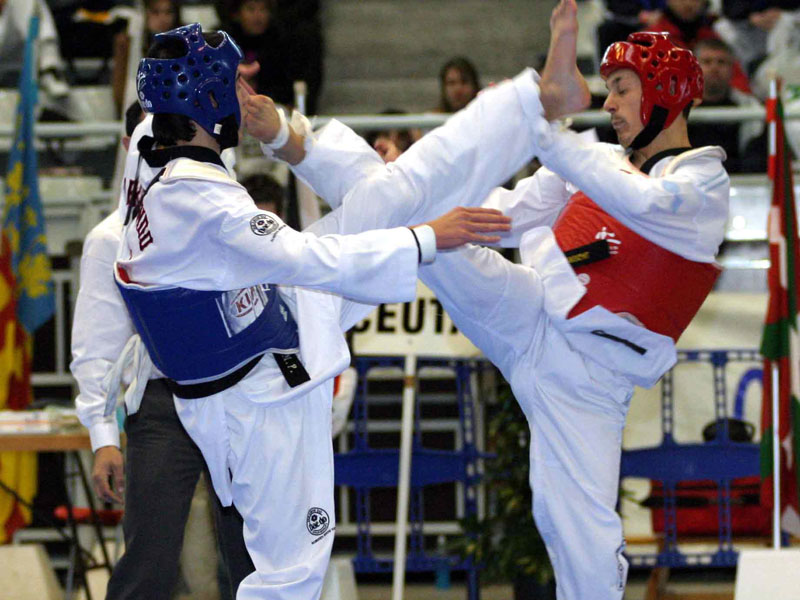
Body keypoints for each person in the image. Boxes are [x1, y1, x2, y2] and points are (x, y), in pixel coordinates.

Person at [245, 1, 729, 597]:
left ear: (666, 94)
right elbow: (502, 216)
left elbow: (644, 204)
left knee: (575, 527)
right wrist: (420, 187)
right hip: (530, 313)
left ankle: (529, 103)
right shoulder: (593, 160)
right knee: (414, 208)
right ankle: (299, 143)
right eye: (607, 91)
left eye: (622, 90)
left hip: (590, 381)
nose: (609, 105)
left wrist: (544, 131)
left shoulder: (703, 181)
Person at [112, 23, 509, 600]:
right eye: (230, 86)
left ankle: (519, 110)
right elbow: (312, 259)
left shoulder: (149, 150)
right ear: (206, 102)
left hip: (265, 327)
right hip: (260, 391)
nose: (242, 94)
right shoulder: (207, 201)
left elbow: (164, 106)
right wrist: (428, 238)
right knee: (292, 568)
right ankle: (519, 112)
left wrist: (264, 118)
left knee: (386, 195)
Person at [71, 101, 255, 600]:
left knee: (252, 554)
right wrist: (103, 436)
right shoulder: (111, 238)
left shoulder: (227, 214)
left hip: (237, 399)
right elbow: (95, 346)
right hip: (161, 405)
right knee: (148, 561)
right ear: (129, 146)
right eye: (149, 141)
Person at [689, 37, 766, 173]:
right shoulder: (677, 109)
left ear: (732, 69)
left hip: (738, 180)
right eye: (707, 62)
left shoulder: (751, 108)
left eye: (721, 62)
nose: (714, 68)